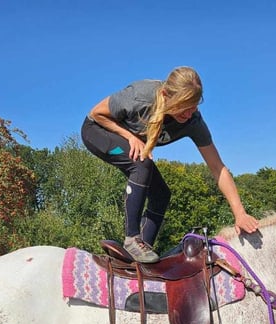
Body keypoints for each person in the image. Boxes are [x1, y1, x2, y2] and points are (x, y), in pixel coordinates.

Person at [81, 66, 259, 263]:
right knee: (142, 162)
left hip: (123, 142)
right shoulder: (141, 96)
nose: (189, 113)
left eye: (194, 107)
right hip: (97, 133)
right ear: (166, 94)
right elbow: (96, 114)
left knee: (161, 194)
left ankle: (137, 259)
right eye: (184, 106)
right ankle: (132, 239)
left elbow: (218, 168)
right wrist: (129, 136)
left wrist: (240, 213)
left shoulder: (193, 122)